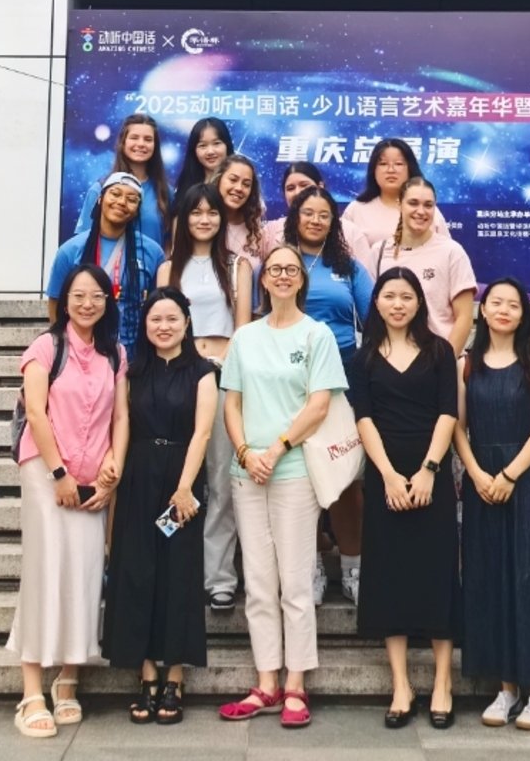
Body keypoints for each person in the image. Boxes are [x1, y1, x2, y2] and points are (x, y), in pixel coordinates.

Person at [218, 244, 347, 729]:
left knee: (295, 582)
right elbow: (231, 404)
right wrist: (247, 454)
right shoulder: (245, 338)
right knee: (258, 582)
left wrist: (275, 450)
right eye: (275, 270)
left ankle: (295, 683)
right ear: (264, 280)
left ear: (301, 280)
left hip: (293, 472)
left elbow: (318, 406)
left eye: (292, 270)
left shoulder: (317, 336)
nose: (284, 276)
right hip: (247, 473)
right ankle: (265, 681)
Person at [7, 263, 128, 739]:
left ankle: (70, 678)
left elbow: (120, 415)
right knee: (45, 570)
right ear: (64, 300)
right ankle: (31, 689)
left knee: (81, 573)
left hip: (95, 474)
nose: (87, 304)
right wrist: (58, 473)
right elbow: (35, 410)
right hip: (45, 471)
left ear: (107, 301)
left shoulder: (114, 352)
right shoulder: (45, 347)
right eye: (79, 295)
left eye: (96, 295)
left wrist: (113, 468)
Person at [455, 278, 530, 732]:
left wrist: (507, 475)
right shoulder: (467, 365)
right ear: (482, 311)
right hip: (482, 483)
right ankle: (506, 688)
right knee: (490, 579)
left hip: (525, 483)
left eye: (513, 304)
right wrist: (479, 475)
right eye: (495, 302)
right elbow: (458, 427)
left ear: (524, 314)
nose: (503, 310)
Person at [104, 287, 218, 725]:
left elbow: (203, 434)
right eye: (156, 319)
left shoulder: (202, 371)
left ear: (187, 324)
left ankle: (174, 675)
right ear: (145, 325)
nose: (164, 326)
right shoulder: (132, 371)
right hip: (138, 478)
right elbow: (122, 425)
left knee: (177, 574)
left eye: (172, 319)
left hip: (181, 480)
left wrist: (185, 487)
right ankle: (145, 671)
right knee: (137, 572)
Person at [353, 266, 460, 729]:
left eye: (407, 296)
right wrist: (391, 477)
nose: (398, 304)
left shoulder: (439, 352)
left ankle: (442, 682)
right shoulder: (363, 357)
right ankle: (401, 684)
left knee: (437, 574)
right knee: (390, 576)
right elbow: (364, 419)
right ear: (376, 302)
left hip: (431, 471)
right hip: (385, 475)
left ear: (419, 303)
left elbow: (447, 413)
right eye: (389, 296)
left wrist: (430, 471)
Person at [157, 183, 253, 611]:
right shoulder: (167, 270)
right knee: (176, 474)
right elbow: (159, 323)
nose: (204, 219)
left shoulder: (238, 266)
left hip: (221, 375)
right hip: (176, 378)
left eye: (211, 212)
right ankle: (171, 563)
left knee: (219, 478)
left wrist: (218, 368)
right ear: (183, 219)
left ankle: (218, 577)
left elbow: (245, 329)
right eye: (195, 212)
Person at [282, 185, 373, 606]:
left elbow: (374, 319)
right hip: (288, 379)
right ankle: (314, 565)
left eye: (324, 215)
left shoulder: (348, 267)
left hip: (341, 376)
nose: (316, 220)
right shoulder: (281, 263)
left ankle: (354, 568)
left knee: (343, 474)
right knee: (300, 477)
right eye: (308, 213)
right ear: (295, 217)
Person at [48, 172, 165, 352]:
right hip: (82, 354)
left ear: (137, 210)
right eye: (115, 194)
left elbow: (158, 305)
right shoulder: (70, 251)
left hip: (134, 356)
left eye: (131, 199)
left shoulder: (153, 252)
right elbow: (55, 302)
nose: (122, 202)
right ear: (101, 199)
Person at [371, 177, 476, 357]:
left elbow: (464, 318)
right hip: (390, 363)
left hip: (438, 361)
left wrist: (446, 365)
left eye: (428, 205)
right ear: (399, 204)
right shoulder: (379, 252)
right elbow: (372, 311)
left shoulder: (452, 251)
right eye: (413, 203)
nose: (421, 211)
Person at [77, 113, 170, 248]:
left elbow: (172, 244)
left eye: (148, 139)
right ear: (123, 142)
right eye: (134, 138)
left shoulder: (166, 192)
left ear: (155, 145)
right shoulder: (100, 189)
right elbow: (83, 242)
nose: (141, 144)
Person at [343, 138, 448, 251]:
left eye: (398, 163)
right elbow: (340, 254)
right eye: (383, 164)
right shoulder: (356, 209)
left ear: (410, 168)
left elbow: (446, 251)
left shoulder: (425, 211)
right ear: (373, 170)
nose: (391, 170)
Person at [261, 161, 373, 264]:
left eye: (304, 185)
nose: (297, 192)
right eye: (290, 188)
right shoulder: (270, 232)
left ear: (321, 187)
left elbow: (366, 278)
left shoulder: (350, 232)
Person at [172, 118, 234, 215]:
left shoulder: (237, 186)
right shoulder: (185, 189)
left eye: (216, 143)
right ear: (194, 151)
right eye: (202, 145)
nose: (210, 151)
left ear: (227, 145)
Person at [210, 153, 266, 260]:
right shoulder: (202, 223)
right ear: (219, 179)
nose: (239, 188)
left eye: (246, 184)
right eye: (233, 180)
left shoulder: (256, 230)